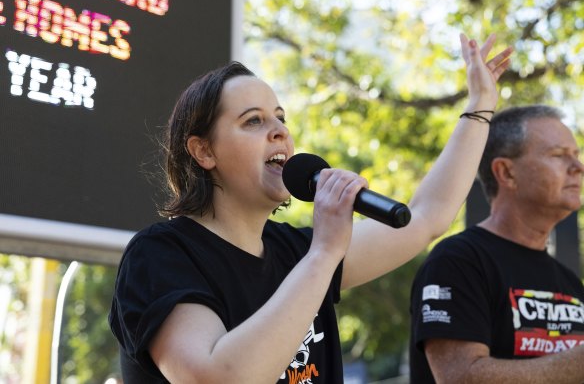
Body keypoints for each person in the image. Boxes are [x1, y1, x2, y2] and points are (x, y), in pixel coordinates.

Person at [108, 33, 512, 384]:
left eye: (281, 118)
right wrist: (324, 253)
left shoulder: (295, 251)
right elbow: (218, 376)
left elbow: (427, 217)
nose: (281, 131)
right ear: (203, 151)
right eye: (253, 121)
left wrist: (479, 106)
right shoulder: (160, 255)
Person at [409, 105, 584, 383]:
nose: (578, 167)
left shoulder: (570, 282)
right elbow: (460, 377)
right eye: (559, 155)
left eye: (576, 155)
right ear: (506, 172)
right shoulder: (456, 261)